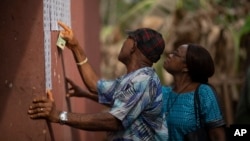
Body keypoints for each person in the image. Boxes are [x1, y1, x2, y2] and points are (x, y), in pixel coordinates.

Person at [28, 21, 168, 141]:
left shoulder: (143, 81)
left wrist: (59, 115)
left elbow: (112, 121)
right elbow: (95, 85)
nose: (124, 42)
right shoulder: (135, 77)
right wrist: (76, 47)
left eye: (128, 38)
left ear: (133, 46)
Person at [162, 44, 226, 141]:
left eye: (175, 54)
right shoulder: (165, 92)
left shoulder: (203, 92)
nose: (170, 55)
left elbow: (217, 135)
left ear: (186, 67)